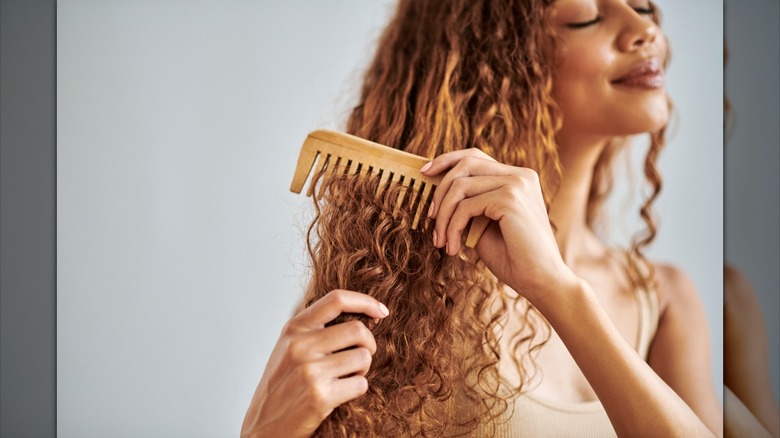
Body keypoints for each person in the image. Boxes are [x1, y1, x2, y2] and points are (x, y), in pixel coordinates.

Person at [241, 0, 726, 436]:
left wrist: (557, 288)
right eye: (586, 17)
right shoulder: (403, 292)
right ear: (497, 65)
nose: (643, 28)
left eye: (645, 7)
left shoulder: (664, 301)